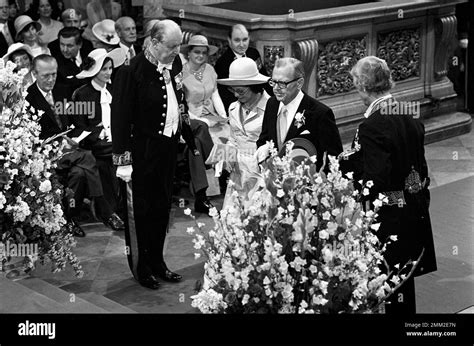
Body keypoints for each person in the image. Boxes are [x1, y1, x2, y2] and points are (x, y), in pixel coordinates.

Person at [339, 56, 437, 314]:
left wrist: (349, 183)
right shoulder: (409, 116)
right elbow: (420, 171)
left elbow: (375, 180)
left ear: (361, 85)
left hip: (387, 221)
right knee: (403, 284)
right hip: (413, 214)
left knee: (387, 287)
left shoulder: (372, 126)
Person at [111, 19, 199, 290]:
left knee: (162, 209)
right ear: (153, 42)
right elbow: (120, 119)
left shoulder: (174, 64)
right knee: (142, 212)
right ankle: (142, 267)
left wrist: (185, 131)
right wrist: (123, 160)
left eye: (178, 46)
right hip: (141, 153)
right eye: (172, 47)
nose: (176, 51)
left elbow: (178, 98)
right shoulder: (131, 71)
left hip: (167, 149)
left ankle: (158, 262)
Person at [25, 54, 118, 236]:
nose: (51, 79)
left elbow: (74, 122)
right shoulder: (28, 98)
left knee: (79, 173)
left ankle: (70, 219)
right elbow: (32, 137)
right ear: (35, 73)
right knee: (89, 157)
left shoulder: (62, 92)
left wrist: (76, 137)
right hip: (47, 155)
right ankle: (106, 211)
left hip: (71, 152)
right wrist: (59, 143)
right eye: (46, 75)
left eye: (54, 74)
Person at [69, 48, 127, 231]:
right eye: (104, 69)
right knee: (102, 162)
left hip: (115, 141)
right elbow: (78, 126)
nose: (108, 72)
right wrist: (97, 133)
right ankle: (107, 212)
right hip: (92, 146)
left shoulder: (113, 89)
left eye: (110, 68)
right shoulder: (82, 94)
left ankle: (124, 207)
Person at [256, 57, 343, 172]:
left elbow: (334, 157)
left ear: (299, 83)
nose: (276, 88)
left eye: (282, 83)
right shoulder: (272, 104)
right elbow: (264, 139)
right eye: (273, 82)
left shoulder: (320, 113)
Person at [216, 57, 270, 208]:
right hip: (237, 174)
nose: (235, 95)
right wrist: (225, 158)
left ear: (255, 86)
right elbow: (233, 139)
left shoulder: (271, 109)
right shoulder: (233, 107)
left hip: (260, 174)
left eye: (240, 91)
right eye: (233, 90)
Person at [214, 23, 270, 111]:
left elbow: (264, 78)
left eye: (245, 40)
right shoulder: (223, 62)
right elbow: (226, 94)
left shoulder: (253, 53)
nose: (241, 44)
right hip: (241, 106)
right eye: (237, 40)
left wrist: (273, 100)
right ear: (229, 40)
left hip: (261, 99)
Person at [51, 27, 88, 105]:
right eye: (62, 44)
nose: (64, 49)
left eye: (69, 46)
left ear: (79, 45)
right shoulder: (56, 63)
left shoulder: (90, 54)